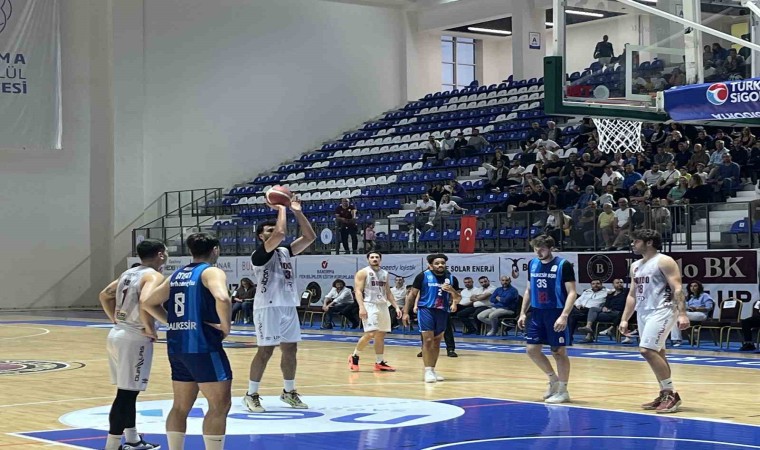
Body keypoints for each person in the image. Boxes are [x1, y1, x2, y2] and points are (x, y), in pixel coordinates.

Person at [141, 233, 233, 450]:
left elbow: (148, 302)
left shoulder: (177, 275)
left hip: (178, 346)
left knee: (180, 407)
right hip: (203, 346)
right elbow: (222, 298)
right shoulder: (211, 271)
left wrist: (173, 322)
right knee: (219, 405)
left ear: (191, 251)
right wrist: (226, 327)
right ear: (215, 250)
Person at [243, 195, 317, 413]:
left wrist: (297, 211)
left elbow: (310, 237)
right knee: (265, 351)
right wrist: (282, 208)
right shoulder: (258, 255)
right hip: (267, 306)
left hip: (287, 305)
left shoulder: (284, 251)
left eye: (273, 228)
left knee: (291, 349)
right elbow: (281, 233)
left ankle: (288, 391)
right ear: (260, 236)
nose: (274, 231)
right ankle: (251, 394)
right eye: (269, 230)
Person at [98, 239, 167, 450]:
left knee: (128, 392)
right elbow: (146, 301)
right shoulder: (153, 276)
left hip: (117, 334)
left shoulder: (128, 273)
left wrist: (114, 318)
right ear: (161, 254)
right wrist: (150, 327)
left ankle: (133, 439)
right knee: (125, 396)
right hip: (134, 338)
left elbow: (104, 295)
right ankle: (112, 446)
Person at [619, 229, 690, 414]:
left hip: (663, 309)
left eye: (636, 241)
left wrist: (682, 313)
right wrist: (625, 319)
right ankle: (664, 393)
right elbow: (632, 294)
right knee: (658, 352)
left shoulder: (664, 261)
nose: (632, 244)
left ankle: (670, 394)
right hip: (644, 311)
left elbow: (677, 288)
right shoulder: (635, 265)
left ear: (649, 242)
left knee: (647, 350)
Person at [517, 235, 577, 404]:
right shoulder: (532, 264)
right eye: (536, 248)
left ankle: (563, 391)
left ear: (551, 248)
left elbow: (572, 292)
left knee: (558, 351)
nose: (538, 252)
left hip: (556, 311)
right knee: (532, 349)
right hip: (537, 312)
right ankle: (553, 380)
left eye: (542, 248)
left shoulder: (563, 265)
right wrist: (522, 312)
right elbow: (529, 290)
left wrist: (564, 315)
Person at [403, 253, 461, 383]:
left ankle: (433, 370)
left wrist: (452, 291)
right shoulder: (423, 276)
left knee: (437, 341)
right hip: (426, 309)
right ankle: (427, 370)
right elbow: (412, 295)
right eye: (437, 263)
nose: (440, 265)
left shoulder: (451, 278)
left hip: (442, 311)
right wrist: (406, 312)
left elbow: (458, 298)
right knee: (428, 340)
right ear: (430, 265)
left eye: (442, 263)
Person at [348, 251, 402, 372]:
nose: (374, 259)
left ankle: (379, 362)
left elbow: (388, 292)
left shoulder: (385, 273)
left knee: (380, 335)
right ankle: (354, 356)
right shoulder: (363, 272)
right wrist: (361, 307)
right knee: (370, 333)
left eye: (377, 257)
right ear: (368, 260)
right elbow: (358, 291)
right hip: (369, 304)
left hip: (382, 305)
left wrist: (396, 307)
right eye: (372, 257)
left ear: (380, 259)